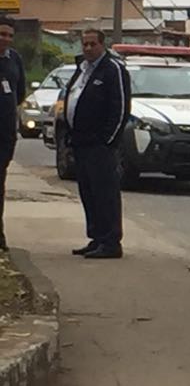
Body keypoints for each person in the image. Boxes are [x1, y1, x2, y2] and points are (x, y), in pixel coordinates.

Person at [64, 29, 129, 259]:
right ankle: (96, 237)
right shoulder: (82, 69)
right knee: (88, 193)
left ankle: (111, 242)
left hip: (100, 146)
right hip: (81, 143)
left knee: (105, 194)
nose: (88, 48)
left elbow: (120, 108)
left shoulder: (113, 69)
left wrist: (108, 141)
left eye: (93, 44)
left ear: (103, 45)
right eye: (85, 44)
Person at [0, 17, 27, 251]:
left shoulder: (14, 59)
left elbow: (20, 93)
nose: (6, 39)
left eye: (9, 35)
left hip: (6, 133)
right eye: (2, 34)